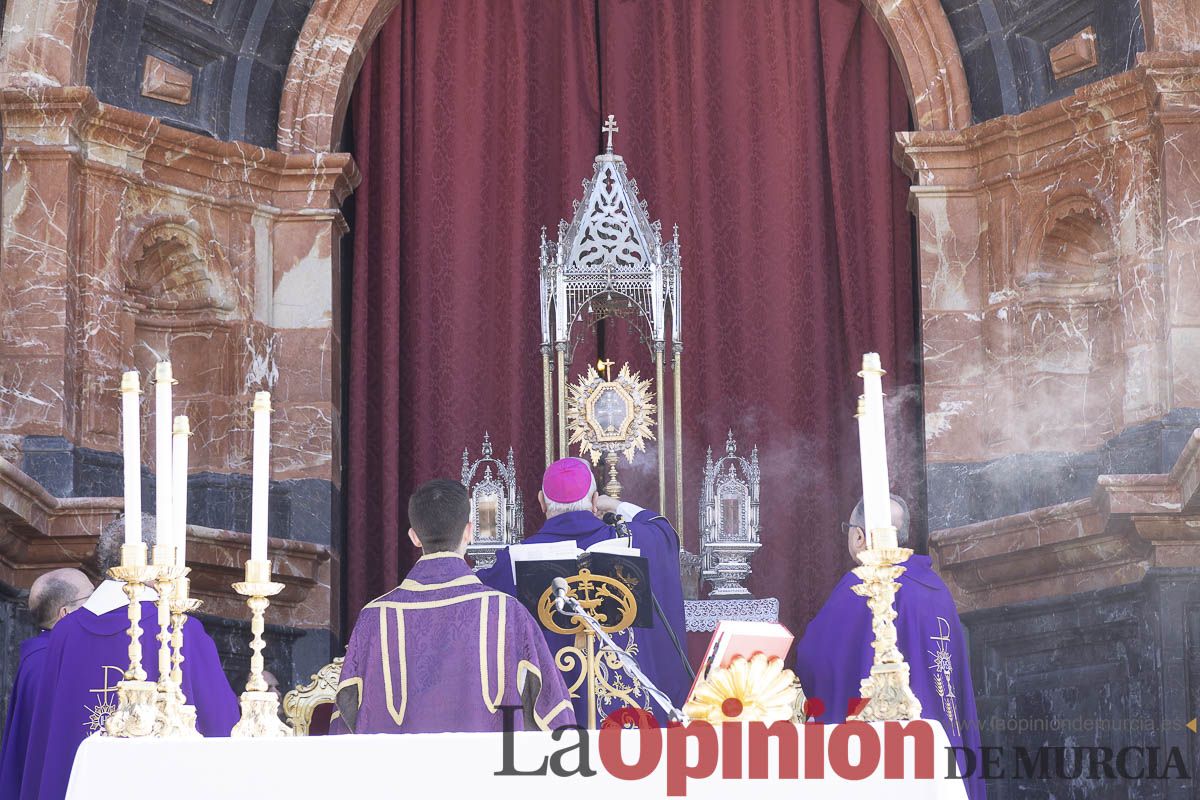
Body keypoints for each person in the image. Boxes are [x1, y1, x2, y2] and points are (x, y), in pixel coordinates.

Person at [20, 515, 239, 800]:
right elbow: (222, 724)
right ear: (148, 563)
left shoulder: (64, 633)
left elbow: (47, 737)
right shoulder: (179, 629)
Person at [334, 479, 575, 734]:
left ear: (414, 537)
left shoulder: (374, 617)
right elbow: (553, 715)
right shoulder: (507, 612)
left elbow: (346, 719)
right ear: (469, 532)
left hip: (401, 773)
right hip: (487, 771)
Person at [794, 496, 985, 800]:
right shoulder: (936, 590)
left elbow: (816, 660)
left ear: (859, 535)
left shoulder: (863, 585)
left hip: (890, 756)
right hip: (943, 747)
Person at [478, 457, 689, 725]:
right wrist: (614, 504)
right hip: (628, 712)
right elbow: (662, 529)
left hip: (554, 715)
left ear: (541, 502)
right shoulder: (635, 539)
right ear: (593, 502)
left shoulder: (513, 559)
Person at [0, 568, 93, 799]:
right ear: (65, 613)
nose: (97, 606)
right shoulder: (46, 661)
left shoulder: (45, 654)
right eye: (90, 597)